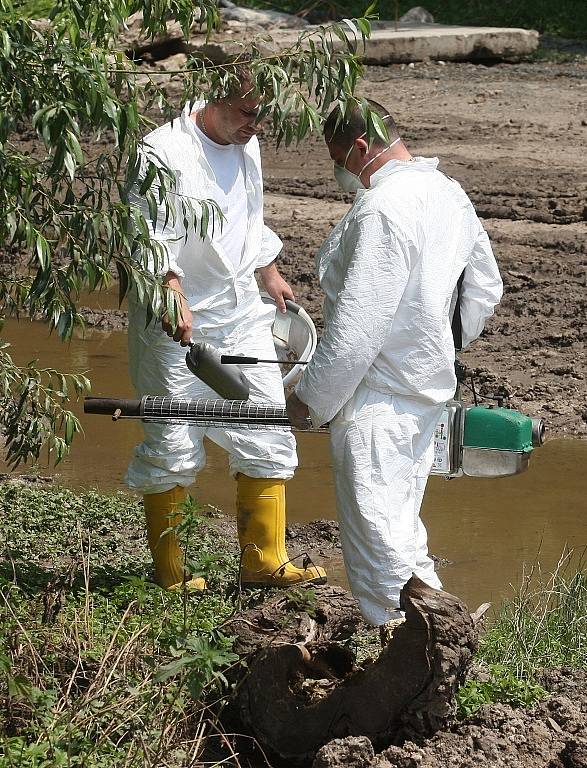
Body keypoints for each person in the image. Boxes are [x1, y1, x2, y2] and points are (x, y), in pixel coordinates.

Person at [286, 99, 502, 629]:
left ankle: (407, 661)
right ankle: (448, 641)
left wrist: (309, 402)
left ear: (360, 148)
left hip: (376, 402)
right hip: (426, 394)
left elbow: (356, 332)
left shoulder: (382, 211)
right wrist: (436, 349)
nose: (338, 170)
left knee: (378, 552)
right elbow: (484, 288)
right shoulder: (446, 192)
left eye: (338, 156)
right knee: (403, 531)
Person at [125, 72, 326, 591]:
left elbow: (248, 214)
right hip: (176, 317)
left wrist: (269, 271)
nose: (253, 127)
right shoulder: (163, 151)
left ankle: (264, 562)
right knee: (172, 438)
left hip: (240, 312)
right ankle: (170, 574)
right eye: (244, 113)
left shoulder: (245, 143)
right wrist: (170, 288)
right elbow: (146, 230)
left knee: (267, 429)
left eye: (261, 116)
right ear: (212, 97)